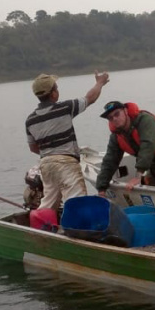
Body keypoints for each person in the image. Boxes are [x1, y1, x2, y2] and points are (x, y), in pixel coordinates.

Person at [25, 71, 110, 210]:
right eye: (56, 88)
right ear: (53, 94)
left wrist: (50, 152)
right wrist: (100, 82)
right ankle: (77, 230)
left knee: (48, 203)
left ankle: (40, 225)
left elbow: (33, 148)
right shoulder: (65, 108)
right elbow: (90, 98)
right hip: (66, 164)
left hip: (46, 165)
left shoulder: (30, 120)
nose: (58, 91)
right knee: (78, 202)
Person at [95, 101, 155, 194]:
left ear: (125, 111)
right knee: (151, 185)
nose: (115, 119)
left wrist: (138, 176)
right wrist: (101, 188)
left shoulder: (145, 120)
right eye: (110, 118)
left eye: (117, 114)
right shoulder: (116, 137)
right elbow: (110, 161)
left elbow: (148, 146)